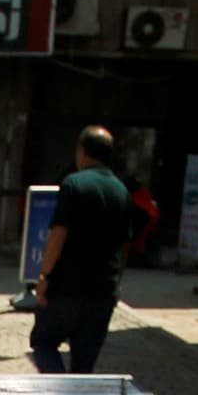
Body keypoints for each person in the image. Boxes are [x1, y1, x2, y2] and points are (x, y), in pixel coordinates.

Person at [31, 126, 132, 375]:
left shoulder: (74, 184)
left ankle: (58, 389)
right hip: (102, 293)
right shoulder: (122, 191)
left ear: (82, 152)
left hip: (67, 288)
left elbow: (58, 234)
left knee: (43, 343)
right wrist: (115, 284)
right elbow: (124, 246)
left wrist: (44, 276)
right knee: (84, 366)